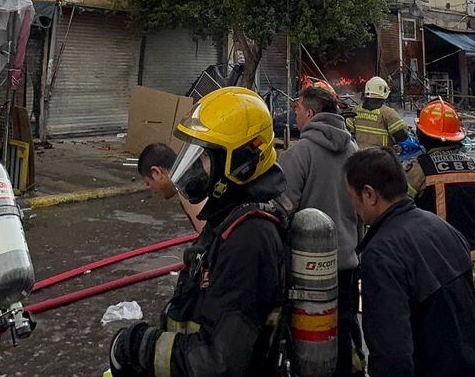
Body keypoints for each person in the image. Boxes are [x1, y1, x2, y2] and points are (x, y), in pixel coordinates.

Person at [108, 87, 288, 377]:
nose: (196, 167)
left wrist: (137, 345)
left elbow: (218, 361)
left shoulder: (249, 238)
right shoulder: (230, 216)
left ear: (240, 160)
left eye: (205, 156)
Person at [346, 147, 475, 377]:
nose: (353, 207)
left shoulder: (381, 254)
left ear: (369, 194)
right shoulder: (444, 228)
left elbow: (391, 354)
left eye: (352, 197)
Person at [280, 86, 363, 377]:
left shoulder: (299, 154)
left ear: (311, 114)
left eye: (298, 110)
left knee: (308, 347)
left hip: (309, 274)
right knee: (345, 334)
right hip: (348, 266)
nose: (295, 116)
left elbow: (280, 210)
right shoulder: (354, 151)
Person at [406, 100, 475, 289]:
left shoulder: (419, 169)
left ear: (422, 134)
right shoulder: (472, 167)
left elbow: (396, 209)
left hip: (437, 267)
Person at [139, 141, 207, 231]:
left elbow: (212, 235)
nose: (148, 187)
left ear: (156, 172)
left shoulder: (187, 189)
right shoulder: (195, 171)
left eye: (147, 182)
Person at [350, 76, 410, 149]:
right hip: (382, 156)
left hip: (360, 154)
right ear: (384, 92)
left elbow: (349, 132)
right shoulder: (388, 113)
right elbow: (402, 137)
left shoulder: (355, 110)